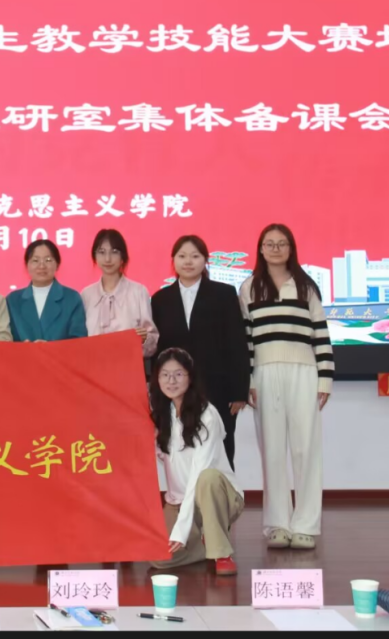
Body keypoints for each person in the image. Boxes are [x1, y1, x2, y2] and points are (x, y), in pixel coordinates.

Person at [239, 223, 332, 551]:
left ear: (291, 248)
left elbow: (321, 334)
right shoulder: (250, 287)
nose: (276, 249)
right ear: (260, 249)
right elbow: (245, 340)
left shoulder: (306, 286)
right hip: (264, 372)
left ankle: (306, 525)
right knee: (273, 451)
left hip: (304, 371)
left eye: (282, 243)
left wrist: (325, 378)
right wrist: (248, 380)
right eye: (269, 243)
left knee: (306, 449)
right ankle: (277, 524)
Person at [151, 235, 251, 468]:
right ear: (173, 260)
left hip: (217, 388)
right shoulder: (160, 299)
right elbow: (158, 351)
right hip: (175, 390)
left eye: (195, 256)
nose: (188, 261)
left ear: (205, 260)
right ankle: (184, 492)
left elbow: (237, 343)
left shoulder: (224, 294)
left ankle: (221, 492)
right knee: (180, 450)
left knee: (220, 449)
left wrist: (239, 391)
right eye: (182, 256)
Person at [150, 347, 244, 576]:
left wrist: (181, 530)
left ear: (190, 377)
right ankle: (206, 544)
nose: (171, 381)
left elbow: (197, 474)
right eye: (165, 375)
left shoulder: (207, 415)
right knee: (158, 559)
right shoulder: (161, 414)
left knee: (207, 478)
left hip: (216, 496)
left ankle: (221, 553)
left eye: (178, 374)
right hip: (179, 502)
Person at [80, 228, 158, 363]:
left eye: (114, 252)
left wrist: (144, 339)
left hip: (128, 367)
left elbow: (152, 341)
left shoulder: (138, 291)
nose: (107, 259)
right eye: (101, 252)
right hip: (93, 368)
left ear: (123, 257)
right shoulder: (86, 294)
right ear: (94, 256)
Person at [6, 239, 88, 342]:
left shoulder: (72, 298)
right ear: (26, 265)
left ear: (57, 264)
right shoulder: (13, 300)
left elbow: (79, 340)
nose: (42, 266)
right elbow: (6, 338)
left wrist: (51, 348)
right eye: (35, 260)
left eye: (48, 260)